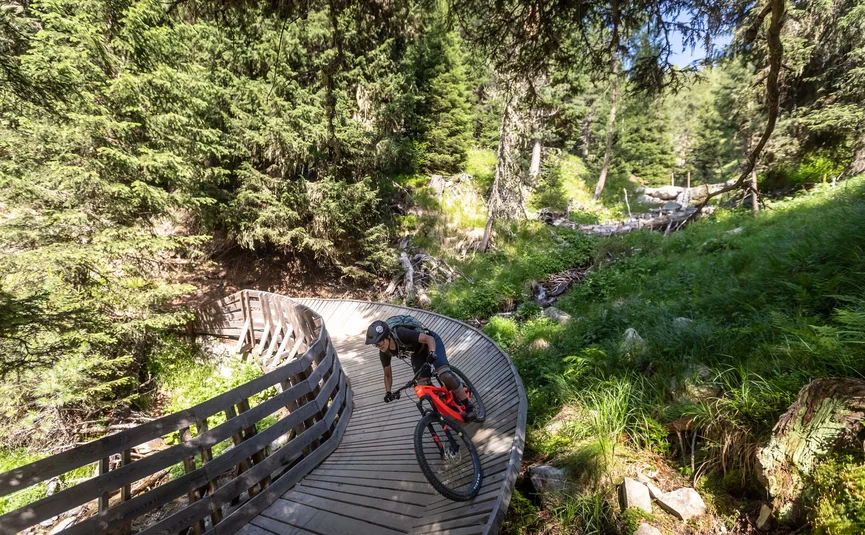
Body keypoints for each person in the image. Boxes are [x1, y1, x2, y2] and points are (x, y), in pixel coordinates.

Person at [365, 320, 475, 421]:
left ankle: (468, 405)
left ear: (388, 336)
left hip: (431, 342)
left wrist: (432, 352)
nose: (378, 346)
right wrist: (388, 392)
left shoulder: (401, 333)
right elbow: (387, 375)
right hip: (418, 353)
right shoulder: (384, 353)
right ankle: (446, 400)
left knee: (444, 375)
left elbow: (429, 339)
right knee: (423, 387)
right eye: (376, 345)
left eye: (380, 343)